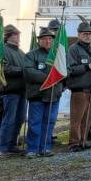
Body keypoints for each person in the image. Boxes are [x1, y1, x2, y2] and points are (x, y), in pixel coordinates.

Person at [23, 27, 63, 157]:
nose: (47, 41)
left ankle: (45, 148)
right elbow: (28, 71)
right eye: (44, 39)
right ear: (39, 40)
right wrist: (48, 78)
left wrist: (61, 86)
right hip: (37, 95)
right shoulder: (32, 55)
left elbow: (65, 71)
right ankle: (32, 149)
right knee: (35, 123)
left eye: (50, 39)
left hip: (53, 95)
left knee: (50, 122)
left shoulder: (58, 55)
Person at [0, 25, 27, 157]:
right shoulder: (2, 50)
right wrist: (22, 70)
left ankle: (12, 145)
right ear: (8, 36)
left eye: (18, 34)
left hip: (22, 90)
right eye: (15, 34)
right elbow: (5, 68)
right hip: (9, 90)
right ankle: (3, 147)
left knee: (19, 119)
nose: (18, 36)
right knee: (9, 120)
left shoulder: (21, 52)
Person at [65, 22, 91, 151]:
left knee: (87, 118)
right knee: (77, 119)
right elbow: (70, 69)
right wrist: (87, 66)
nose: (88, 36)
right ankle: (73, 143)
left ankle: (83, 141)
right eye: (85, 34)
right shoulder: (73, 49)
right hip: (79, 89)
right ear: (79, 34)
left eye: (89, 34)